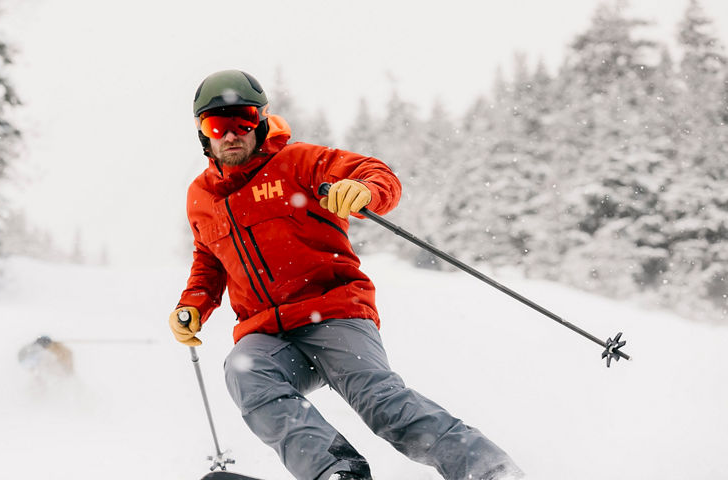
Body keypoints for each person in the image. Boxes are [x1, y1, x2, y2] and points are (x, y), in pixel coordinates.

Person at [170, 70, 523, 480]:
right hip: (267, 334)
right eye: (218, 125)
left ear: (261, 121)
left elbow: (377, 173)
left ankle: (489, 471)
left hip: (335, 314)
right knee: (244, 370)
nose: (232, 135)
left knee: (381, 402)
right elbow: (208, 261)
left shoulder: (298, 163)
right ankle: (336, 472)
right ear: (203, 134)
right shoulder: (202, 196)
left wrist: (365, 190)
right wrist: (192, 305)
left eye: (243, 121)